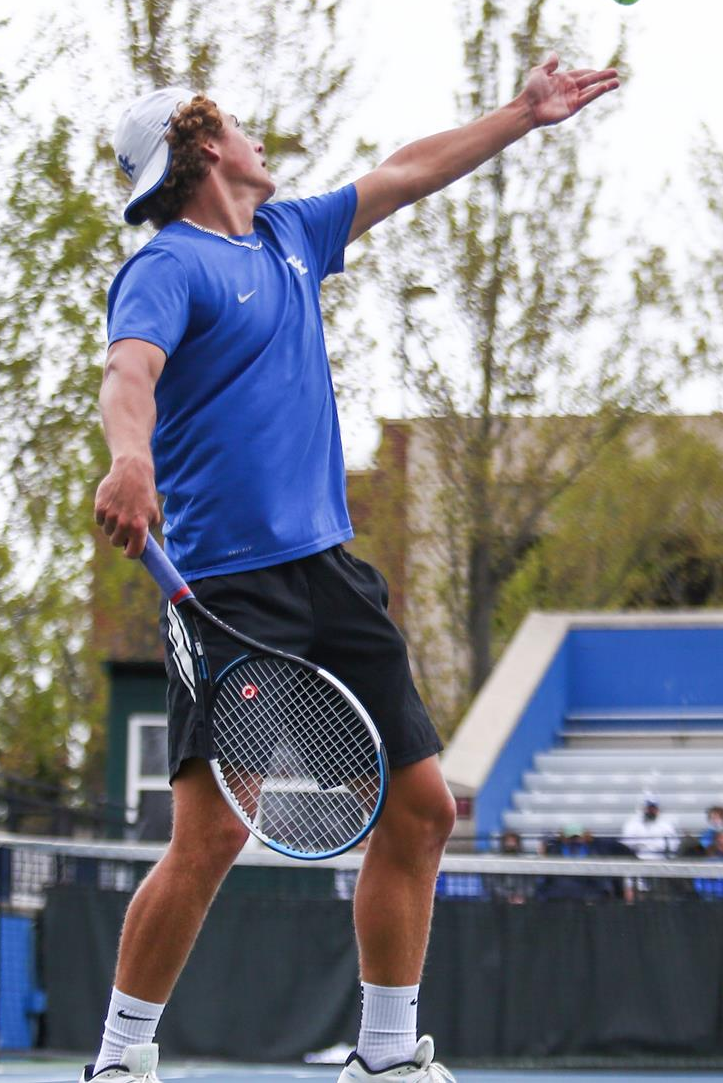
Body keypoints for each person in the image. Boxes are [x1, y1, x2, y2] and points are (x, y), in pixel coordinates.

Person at [88, 58, 618, 1083]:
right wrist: (129, 456)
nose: (256, 138)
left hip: (330, 575)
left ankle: (382, 1058)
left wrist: (522, 114)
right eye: (235, 126)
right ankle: (117, 1063)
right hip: (229, 590)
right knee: (209, 838)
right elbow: (129, 372)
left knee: (423, 809)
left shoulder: (291, 237)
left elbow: (407, 172)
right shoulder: (168, 264)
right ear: (201, 149)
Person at [619, 794, 680, 862]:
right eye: (649, 808)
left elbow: (673, 845)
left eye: (654, 809)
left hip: (660, 860)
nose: (652, 811)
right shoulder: (632, 824)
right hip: (636, 860)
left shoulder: (666, 825)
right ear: (643, 809)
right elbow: (626, 844)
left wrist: (646, 843)